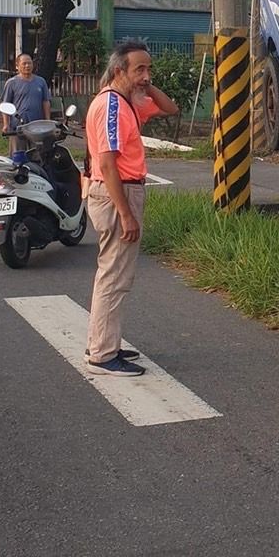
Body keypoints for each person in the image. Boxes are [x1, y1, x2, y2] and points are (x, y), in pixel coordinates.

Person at [84, 41, 178, 375]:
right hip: (117, 193)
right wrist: (125, 213)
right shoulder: (111, 106)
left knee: (111, 273)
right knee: (114, 277)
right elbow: (108, 163)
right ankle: (103, 355)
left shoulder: (127, 102)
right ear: (118, 70)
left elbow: (170, 108)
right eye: (139, 69)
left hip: (120, 191)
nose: (146, 75)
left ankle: (103, 341)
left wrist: (146, 84)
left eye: (149, 69)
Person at [0, 53, 51, 152]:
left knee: (38, 154)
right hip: (18, 126)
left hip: (37, 126)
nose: (27, 66)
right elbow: (5, 104)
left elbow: (46, 101)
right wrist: (6, 124)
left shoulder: (41, 82)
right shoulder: (11, 83)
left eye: (29, 63)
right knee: (18, 155)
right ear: (17, 66)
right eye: (24, 64)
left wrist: (47, 120)